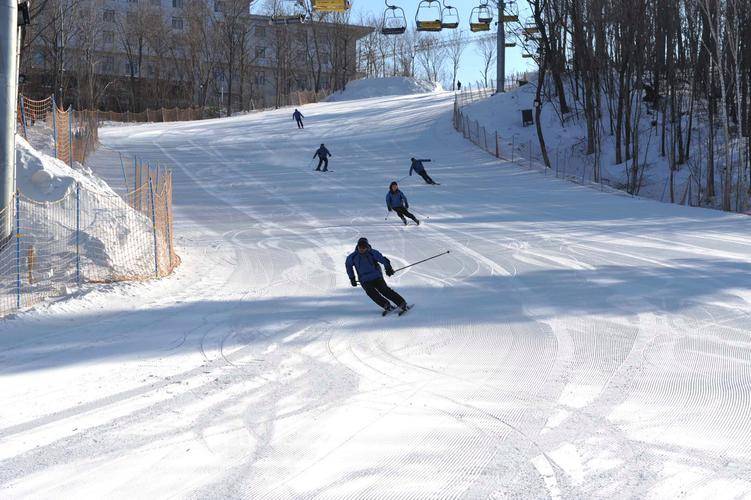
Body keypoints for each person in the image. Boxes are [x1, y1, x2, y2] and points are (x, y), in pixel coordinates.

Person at [346, 237, 408, 314]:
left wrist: (388, 268)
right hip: (364, 280)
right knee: (372, 294)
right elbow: (348, 267)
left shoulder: (372, 253)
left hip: (376, 277)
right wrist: (352, 278)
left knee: (385, 290)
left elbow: (383, 260)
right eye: (360, 247)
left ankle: (401, 303)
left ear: (367, 246)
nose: (361, 249)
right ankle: (386, 305)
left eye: (364, 247)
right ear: (357, 246)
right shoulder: (352, 257)